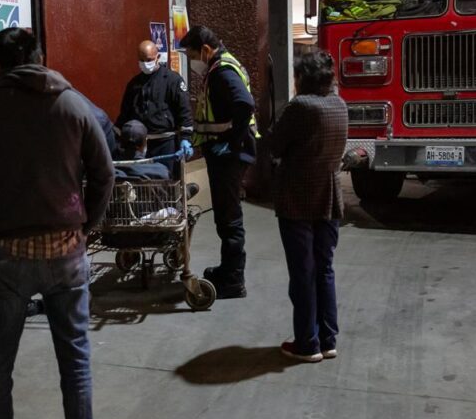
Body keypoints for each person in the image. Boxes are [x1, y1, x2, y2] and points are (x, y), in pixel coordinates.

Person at [0, 28, 114, 419]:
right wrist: (86, 225)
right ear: (41, 58)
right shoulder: (73, 105)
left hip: (8, 255)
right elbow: (104, 175)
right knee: (75, 357)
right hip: (66, 252)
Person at [267, 50, 348, 362]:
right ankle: (327, 339)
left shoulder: (301, 106)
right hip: (329, 197)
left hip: (297, 198)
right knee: (324, 268)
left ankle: (307, 342)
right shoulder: (339, 105)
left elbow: (274, 142)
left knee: (303, 272)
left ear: (303, 79)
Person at [180, 25, 258, 299]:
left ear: (205, 50)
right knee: (226, 217)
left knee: (229, 219)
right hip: (227, 153)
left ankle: (234, 281)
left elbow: (245, 104)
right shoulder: (222, 66)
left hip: (229, 155)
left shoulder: (222, 71)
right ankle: (228, 270)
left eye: (192, 56)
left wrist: (233, 140)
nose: (193, 63)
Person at [116, 40, 194, 171]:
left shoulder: (172, 80)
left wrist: (186, 138)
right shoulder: (134, 84)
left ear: (157, 57)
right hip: (139, 147)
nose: (145, 64)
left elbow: (184, 112)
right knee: (143, 185)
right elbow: (124, 114)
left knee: (166, 184)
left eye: (149, 60)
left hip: (165, 144)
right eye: (141, 60)